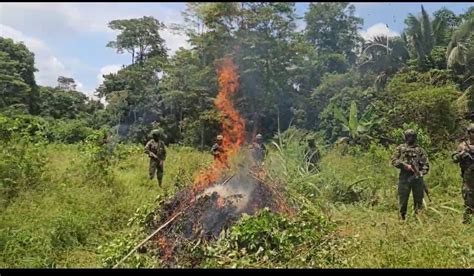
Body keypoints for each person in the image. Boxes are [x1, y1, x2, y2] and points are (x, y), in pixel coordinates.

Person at [390, 129, 430, 220]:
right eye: (408, 136)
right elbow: (394, 160)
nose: (410, 138)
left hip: (417, 178)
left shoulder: (419, 150)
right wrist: (405, 166)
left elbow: (426, 165)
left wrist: (420, 172)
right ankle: (402, 218)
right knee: (403, 200)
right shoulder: (400, 148)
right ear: (405, 137)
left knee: (418, 200)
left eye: (412, 136)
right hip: (404, 177)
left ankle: (418, 219)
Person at [452, 123, 474, 224]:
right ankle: (467, 222)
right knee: (468, 200)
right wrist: (461, 155)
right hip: (468, 179)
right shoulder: (463, 146)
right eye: (472, 132)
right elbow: (454, 159)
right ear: (468, 133)